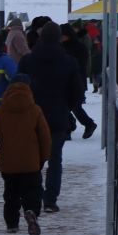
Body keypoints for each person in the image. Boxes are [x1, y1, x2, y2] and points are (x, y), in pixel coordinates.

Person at [14, 24, 84, 213]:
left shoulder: (28, 61)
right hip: (57, 117)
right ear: (59, 39)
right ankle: (50, 199)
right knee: (55, 159)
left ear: (40, 37)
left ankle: (34, 194)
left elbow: (18, 88)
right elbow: (77, 92)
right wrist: (66, 107)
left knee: (33, 159)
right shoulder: (69, 62)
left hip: (31, 116)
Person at [0, 77, 53, 235]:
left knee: (11, 194)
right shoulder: (35, 110)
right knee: (33, 190)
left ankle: (12, 224)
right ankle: (31, 211)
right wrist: (44, 157)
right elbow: (45, 137)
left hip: (8, 164)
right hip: (31, 162)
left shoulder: (1, 111)